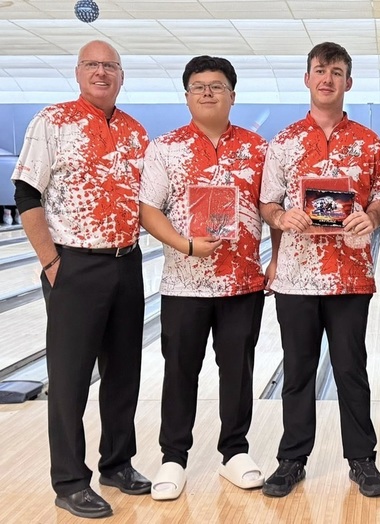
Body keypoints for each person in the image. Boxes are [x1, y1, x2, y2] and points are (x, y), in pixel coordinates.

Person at [11, 40, 150, 519]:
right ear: (78, 72)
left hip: (126, 261)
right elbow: (27, 193)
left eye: (110, 65)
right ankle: (70, 481)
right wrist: (52, 262)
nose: (101, 72)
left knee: (123, 374)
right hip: (74, 264)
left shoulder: (136, 132)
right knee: (70, 380)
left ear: (121, 74)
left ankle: (117, 463)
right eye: (92, 65)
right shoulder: (52, 121)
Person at [259, 42, 380, 498]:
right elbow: (267, 202)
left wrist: (371, 217)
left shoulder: (370, 143)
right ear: (308, 78)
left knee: (352, 368)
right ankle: (292, 459)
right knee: (297, 370)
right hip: (296, 276)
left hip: (350, 275)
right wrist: (280, 218)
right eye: (320, 70)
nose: (327, 79)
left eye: (336, 72)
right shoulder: (284, 142)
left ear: (348, 82)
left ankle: (362, 460)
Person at [139, 55, 268, 501]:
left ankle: (234, 451)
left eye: (217, 86)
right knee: (180, 371)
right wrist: (184, 244)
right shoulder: (165, 147)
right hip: (183, 284)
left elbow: (271, 208)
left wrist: (277, 260)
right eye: (199, 86)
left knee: (237, 371)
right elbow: (148, 209)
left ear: (233, 95)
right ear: (187, 95)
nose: (208, 93)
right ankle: (173, 457)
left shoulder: (257, 147)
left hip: (243, 282)